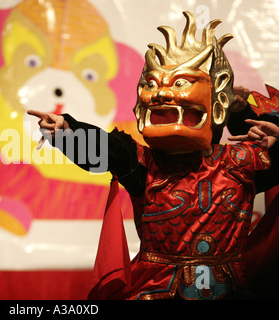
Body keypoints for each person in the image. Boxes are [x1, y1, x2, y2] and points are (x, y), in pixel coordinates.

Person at [28, 12, 279, 300]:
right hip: (155, 288)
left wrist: (244, 116)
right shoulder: (144, 165)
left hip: (231, 289)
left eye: (180, 84)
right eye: (152, 85)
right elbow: (106, 150)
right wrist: (67, 131)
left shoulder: (239, 162)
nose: (160, 95)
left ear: (217, 102)